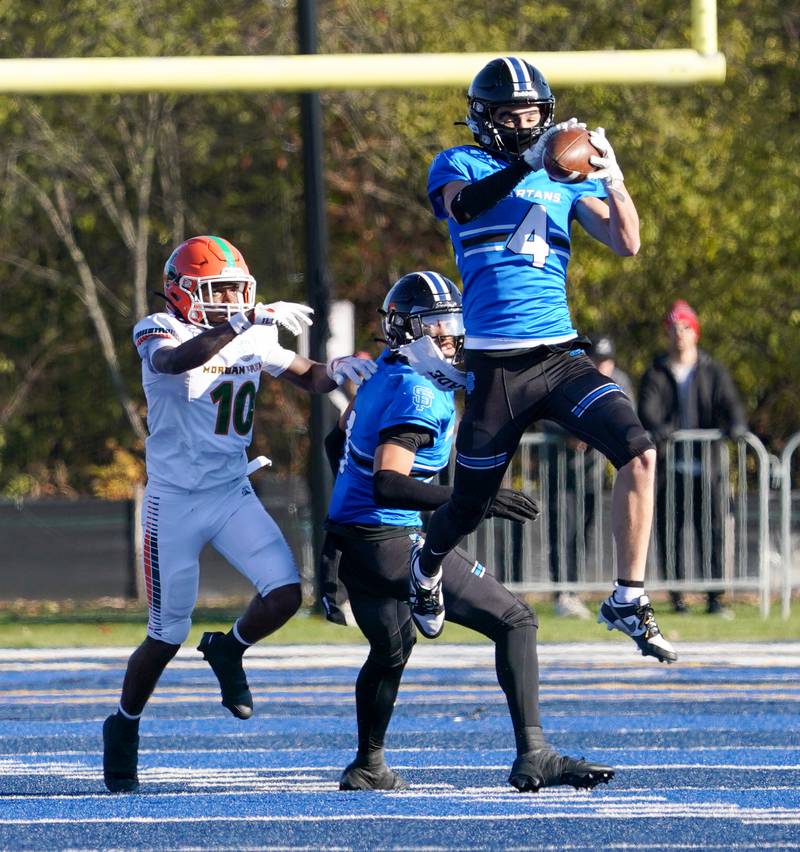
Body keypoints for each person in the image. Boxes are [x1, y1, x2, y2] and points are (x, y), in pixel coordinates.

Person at [410, 56, 676, 664]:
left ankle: (628, 597)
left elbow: (627, 243)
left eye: (532, 114)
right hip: (498, 367)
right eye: (511, 114)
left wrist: (613, 179)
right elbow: (463, 208)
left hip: (558, 355)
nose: (525, 125)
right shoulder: (460, 163)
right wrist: (525, 168)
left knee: (639, 450)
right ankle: (427, 563)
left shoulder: (566, 177)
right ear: (485, 119)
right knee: (469, 504)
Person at [102, 235, 377, 794]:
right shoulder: (160, 327)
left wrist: (343, 367)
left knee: (284, 593)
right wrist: (242, 323)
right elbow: (177, 361)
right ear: (181, 292)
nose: (230, 300)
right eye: (218, 290)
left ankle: (229, 648)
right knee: (166, 634)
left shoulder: (250, 330)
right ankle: (124, 726)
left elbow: (307, 374)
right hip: (174, 502)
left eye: (236, 290)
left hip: (229, 491)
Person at [322, 271, 614, 793]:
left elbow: (334, 445)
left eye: (455, 325)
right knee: (515, 619)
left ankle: (367, 763)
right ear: (407, 331)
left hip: (357, 543)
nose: (453, 338)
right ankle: (534, 753)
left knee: (391, 650)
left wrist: (333, 540)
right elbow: (389, 481)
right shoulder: (418, 391)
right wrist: (473, 500)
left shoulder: (384, 372)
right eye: (439, 327)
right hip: (390, 543)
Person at [638, 300, 747, 615]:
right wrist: (658, 428)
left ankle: (715, 597)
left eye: (685, 327)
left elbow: (730, 404)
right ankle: (677, 598)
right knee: (670, 532)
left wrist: (736, 425)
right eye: (673, 328)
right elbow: (647, 408)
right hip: (671, 467)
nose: (679, 334)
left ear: (695, 332)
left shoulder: (712, 369)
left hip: (707, 465)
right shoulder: (657, 371)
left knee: (711, 531)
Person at [542, 334, 636, 618]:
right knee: (563, 531)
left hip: (594, 475)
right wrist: (571, 434)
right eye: (597, 360)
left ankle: (577, 589)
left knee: (585, 531)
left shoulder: (620, 381)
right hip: (562, 473)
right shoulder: (567, 376)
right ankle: (563, 592)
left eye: (606, 361)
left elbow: (628, 416)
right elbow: (546, 414)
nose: (602, 367)